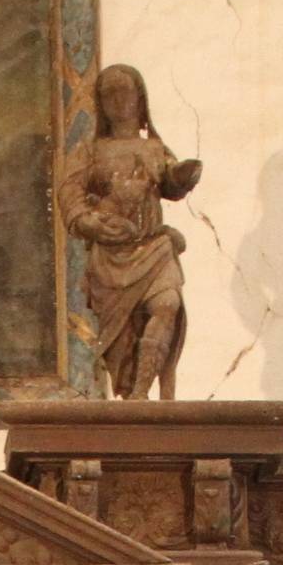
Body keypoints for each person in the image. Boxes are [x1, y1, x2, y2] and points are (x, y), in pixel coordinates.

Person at [61, 64, 202, 400]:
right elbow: (69, 192)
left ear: (140, 98)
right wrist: (86, 219)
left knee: (167, 303)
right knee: (122, 340)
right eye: (109, 92)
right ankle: (130, 393)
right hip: (112, 256)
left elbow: (169, 183)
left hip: (154, 245)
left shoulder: (154, 147)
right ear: (101, 102)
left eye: (125, 91)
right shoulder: (90, 151)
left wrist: (181, 176)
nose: (118, 99)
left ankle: (142, 393)